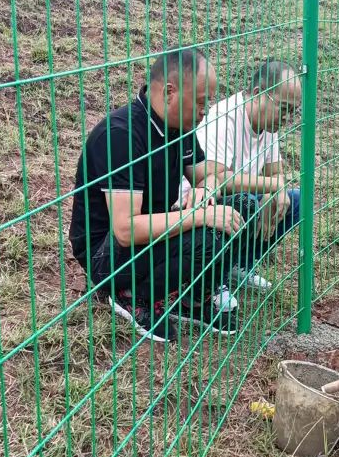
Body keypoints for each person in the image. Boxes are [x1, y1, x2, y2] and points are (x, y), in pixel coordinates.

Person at [68, 47, 245, 343]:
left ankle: (192, 298)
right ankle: (129, 295)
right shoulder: (120, 135)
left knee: (240, 208)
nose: (207, 109)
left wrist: (204, 190)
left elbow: (209, 174)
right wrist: (198, 215)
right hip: (106, 252)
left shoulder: (180, 126)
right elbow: (124, 230)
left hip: (151, 232)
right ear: (170, 92)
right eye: (202, 101)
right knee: (209, 232)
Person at [179, 58, 303, 290]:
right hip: (200, 205)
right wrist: (271, 187)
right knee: (244, 203)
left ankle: (241, 266)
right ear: (258, 93)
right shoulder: (223, 118)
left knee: (295, 201)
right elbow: (215, 179)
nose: (287, 117)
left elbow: (276, 173)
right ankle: (215, 280)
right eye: (284, 108)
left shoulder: (269, 124)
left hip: (244, 202)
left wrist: (274, 191)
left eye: (292, 111)